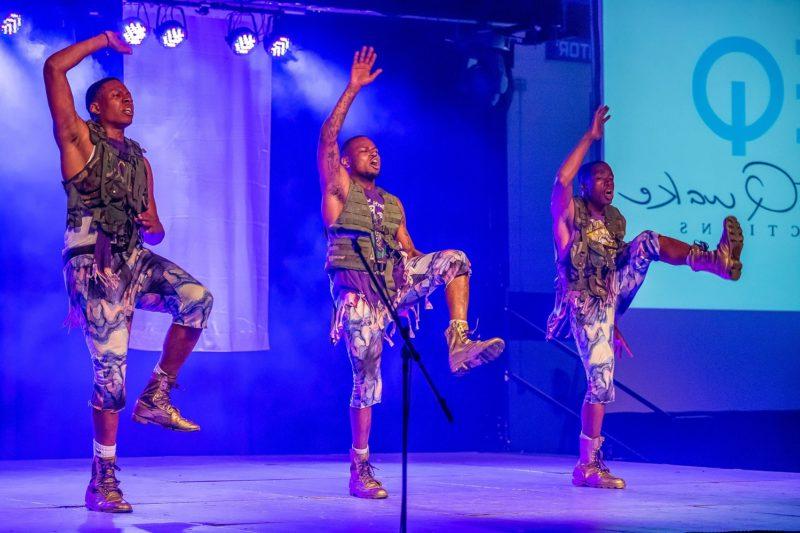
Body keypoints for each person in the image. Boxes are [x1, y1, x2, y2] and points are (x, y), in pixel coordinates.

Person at [317, 47, 506, 499]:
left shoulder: (395, 202)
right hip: (359, 294)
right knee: (366, 375)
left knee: (456, 258)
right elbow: (328, 136)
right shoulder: (338, 189)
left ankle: (458, 341)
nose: (373, 154)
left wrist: (426, 273)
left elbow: (410, 251)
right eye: (364, 150)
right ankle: (359, 467)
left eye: (376, 150)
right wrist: (352, 89)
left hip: (393, 281)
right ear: (346, 161)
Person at [44, 31, 213, 512]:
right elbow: (54, 69)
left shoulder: (140, 160)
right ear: (95, 108)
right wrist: (101, 41)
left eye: (129, 95)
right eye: (116, 95)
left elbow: (154, 229)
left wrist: (157, 226)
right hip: (93, 264)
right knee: (111, 376)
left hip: (135, 259)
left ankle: (157, 394)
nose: (126, 98)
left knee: (198, 298)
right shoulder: (77, 137)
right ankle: (103, 479)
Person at [547, 105, 744, 489]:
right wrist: (590, 138)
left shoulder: (616, 222)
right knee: (601, 382)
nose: (608, 181)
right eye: (600, 177)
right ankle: (587, 465)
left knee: (648, 240)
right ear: (586, 187)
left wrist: (614, 322)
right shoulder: (570, 219)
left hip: (609, 298)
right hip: (584, 303)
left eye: (612, 177)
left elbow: (615, 271)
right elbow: (560, 180)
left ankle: (713, 260)